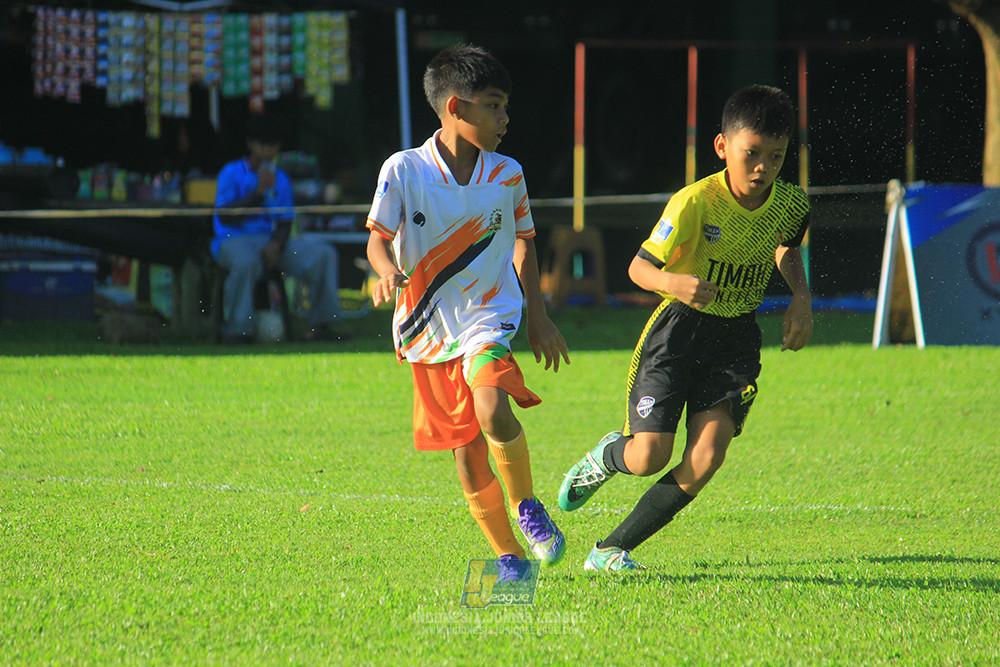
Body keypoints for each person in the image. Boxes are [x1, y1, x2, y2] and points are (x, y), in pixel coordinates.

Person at [558, 85, 813, 572]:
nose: (763, 168)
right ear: (723, 147)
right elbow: (638, 269)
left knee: (707, 457)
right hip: (677, 335)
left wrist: (800, 297)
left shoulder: (791, 204)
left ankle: (610, 550)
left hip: (735, 340)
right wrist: (673, 281)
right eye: (751, 154)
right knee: (651, 454)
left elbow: (786, 246)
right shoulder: (695, 202)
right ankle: (608, 458)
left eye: (776, 157)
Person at [365, 44, 571, 579]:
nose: (506, 119)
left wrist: (537, 315)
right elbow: (376, 240)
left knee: (490, 408)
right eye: (494, 106)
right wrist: (385, 270)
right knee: (464, 453)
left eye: (505, 108)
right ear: (456, 107)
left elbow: (525, 242)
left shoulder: (508, 175)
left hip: (489, 315)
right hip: (427, 326)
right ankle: (510, 558)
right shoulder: (403, 169)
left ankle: (527, 506)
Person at [212, 114, 345, 343]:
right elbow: (225, 216)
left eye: (272, 146)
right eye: (262, 145)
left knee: (324, 254)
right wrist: (259, 193)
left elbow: (285, 220)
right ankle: (238, 331)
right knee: (246, 262)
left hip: (272, 242)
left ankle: (321, 325)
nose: (267, 152)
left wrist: (276, 244)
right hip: (233, 239)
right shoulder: (231, 172)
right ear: (250, 143)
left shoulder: (280, 178)